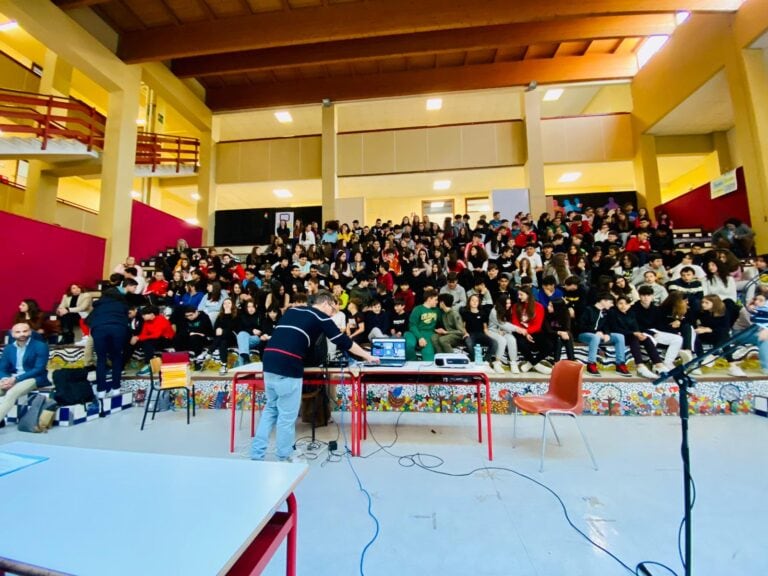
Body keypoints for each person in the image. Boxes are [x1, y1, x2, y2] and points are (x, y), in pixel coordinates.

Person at [250, 291, 377, 461]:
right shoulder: (321, 317)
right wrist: (368, 356)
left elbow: (293, 338)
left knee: (271, 409)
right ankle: (284, 457)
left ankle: (256, 454)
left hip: (269, 361)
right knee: (286, 418)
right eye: (333, 309)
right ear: (325, 303)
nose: (333, 314)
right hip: (288, 365)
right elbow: (343, 341)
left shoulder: (293, 311)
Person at [0, 323, 50, 428]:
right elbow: (2, 368)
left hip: (34, 378)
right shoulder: (9, 348)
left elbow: (39, 369)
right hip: (12, 377)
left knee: (11, 393)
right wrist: (4, 379)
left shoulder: (40, 346)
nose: (22, 334)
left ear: (30, 332)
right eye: (18, 332)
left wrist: (16, 379)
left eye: (25, 331)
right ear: (12, 334)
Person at [87, 283, 130, 397]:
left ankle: (101, 390)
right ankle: (116, 389)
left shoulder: (98, 305)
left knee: (101, 360)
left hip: (99, 330)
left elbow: (88, 320)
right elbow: (126, 319)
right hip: (118, 330)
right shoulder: (122, 304)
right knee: (116, 358)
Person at [576, 292, 631, 377]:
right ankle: (591, 364)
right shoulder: (588, 309)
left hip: (599, 336)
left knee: (619, 336)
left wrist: (607, 334)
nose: (612, 305)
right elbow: (580, 326)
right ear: (603, 301)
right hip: (584, 335)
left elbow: (606, 326)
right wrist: (595, 332)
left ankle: (620, 364)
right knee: (595, 337)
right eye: (610, 302)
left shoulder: (605, 312)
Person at [404, 288, 441, 361]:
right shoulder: (417, 309)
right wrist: (420, 337)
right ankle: (414, 363)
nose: (437, 302)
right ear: (429, 299)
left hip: (429, 333)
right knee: (408, 345)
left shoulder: (437, 310)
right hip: (414, 332)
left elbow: (443, 321)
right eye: (436, 300)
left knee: (428, 354)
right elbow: (412, 325)